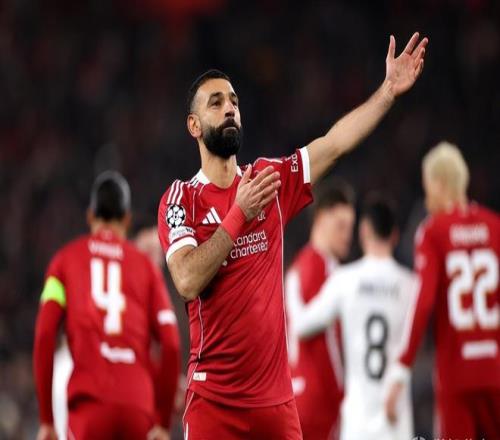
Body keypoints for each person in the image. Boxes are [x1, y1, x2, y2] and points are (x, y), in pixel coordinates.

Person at [158, 32, 427, 439]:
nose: (229, 108)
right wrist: (240, 214)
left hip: (276, 405)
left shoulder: (269, 179)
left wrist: (386, 93)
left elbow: (333, 145)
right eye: (216, 103)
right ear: (193, 125)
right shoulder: (183, 198)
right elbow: (186, 279)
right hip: (214, 403)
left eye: (234, 101)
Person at [33, 171, 181, 440]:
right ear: (127, 220)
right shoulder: (147, 269)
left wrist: (47, 420)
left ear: (90, 216)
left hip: (89, 407)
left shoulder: (63, 262)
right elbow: (171, 345)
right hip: (138, 408)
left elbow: (44, 335)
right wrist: (162, 422)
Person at [385, 142, 500, 439]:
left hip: (456, 373)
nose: (427, 198)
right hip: (495, 370)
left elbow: (422, 303)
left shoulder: (433, 231)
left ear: (438, 183)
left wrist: (402, 367)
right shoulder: (495, 227)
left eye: (427, 187)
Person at [291, 195, 416, 440]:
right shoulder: (410, 285)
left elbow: (302, 325)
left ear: (364, 231)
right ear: (395, 236)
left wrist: (291, 283)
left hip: (358, 419)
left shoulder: (345, 280)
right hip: (396, 414)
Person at [285, 178, 355, 440]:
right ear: (322, 219)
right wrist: (342, 395)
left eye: (350, 227)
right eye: (341, 226)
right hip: (320, 399)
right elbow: (324, 341)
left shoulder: (298, 265)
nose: (347, 235)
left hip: (297, 392)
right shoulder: (322, 268)